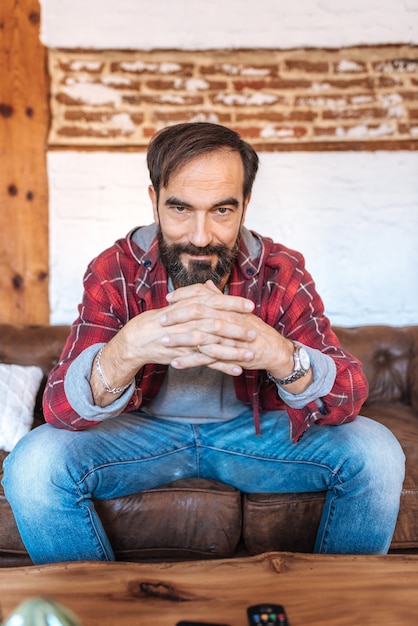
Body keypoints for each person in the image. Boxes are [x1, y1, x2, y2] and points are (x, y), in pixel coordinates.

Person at [3, 122, 405, 564]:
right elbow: (59, 409)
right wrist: (125, 350)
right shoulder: (115, 266)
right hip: (141, 436)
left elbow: (348, 394)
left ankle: (348, 610)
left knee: (377, 451)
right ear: (153, 199)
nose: (200, 237)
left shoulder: (280, 269)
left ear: (245, 206)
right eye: (180, 209)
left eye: (221, 211)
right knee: (32, 464)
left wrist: (280, 355)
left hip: (252, 438)